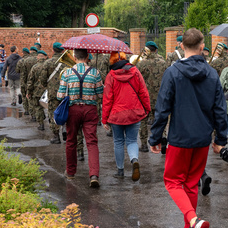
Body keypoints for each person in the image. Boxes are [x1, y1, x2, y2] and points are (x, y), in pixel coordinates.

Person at [149, 28, 228, 228]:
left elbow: (162, 108)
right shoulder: (212, 74)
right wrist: (220, 139)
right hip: (202, 138)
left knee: (173, 181)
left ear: (182, 46)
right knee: (191, 184)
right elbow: (219, 110)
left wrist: (155, 137)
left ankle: (192, 221)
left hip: (180, 137)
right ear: (202, 47)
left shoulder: (172, 72)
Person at [57, 48, 104, 188]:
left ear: (75, 57)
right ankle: (94, 175)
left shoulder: (67, 72)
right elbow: (101, 95)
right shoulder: (95, 72)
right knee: (92, 142)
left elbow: (59, 96)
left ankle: (71, 172)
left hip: (73, 109)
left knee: (71, 140)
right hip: (90, 110)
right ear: (87, 56)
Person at [103, 51, 150, 181]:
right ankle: (134, 160)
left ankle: (120, 170)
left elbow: (107, 99)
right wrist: (146, 109)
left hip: (116, 115)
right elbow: (143, 92)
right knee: (132, 141)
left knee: (118, 142)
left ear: (112, 61)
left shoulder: (110, 76)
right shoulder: (135, 72)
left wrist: (104, 118)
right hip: (135, 112)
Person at [138, 41, 167, 152]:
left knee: (143, 121)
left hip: (145, 97)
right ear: (156, 50)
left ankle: (144, 144)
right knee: (161, 119)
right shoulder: (163, 63)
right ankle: (163, 138)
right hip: (160, 97)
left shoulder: (141, 63)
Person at [27, 50, 49, 130]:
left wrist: (29, 91)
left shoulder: (35, 67)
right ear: (45, 57)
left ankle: (41, 124)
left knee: (38, 107)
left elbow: (30, 81)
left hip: (36, 91)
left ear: (38, 57)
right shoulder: (49, 65)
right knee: (50, 108)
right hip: (48, 90)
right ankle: (52, 123)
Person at [17, 47, 40, 115]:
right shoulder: (39, 59)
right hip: (37, 82)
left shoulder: (24, 60)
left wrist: (23, 83)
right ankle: (36, 113)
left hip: (26, 81)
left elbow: (19, 71)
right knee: (36, 97)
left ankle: (27, 110)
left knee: (26, 96)